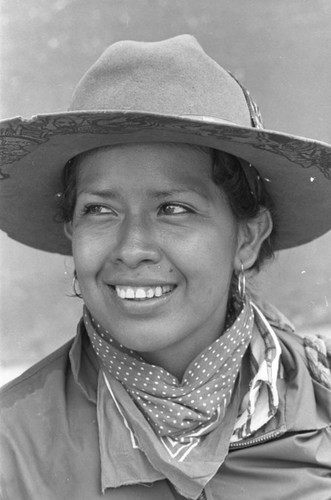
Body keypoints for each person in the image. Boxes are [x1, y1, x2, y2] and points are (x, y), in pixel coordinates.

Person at [0, 35, 330, 500]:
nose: (132, 248)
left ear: (247, 238)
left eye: (173, 209)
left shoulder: (320, 406)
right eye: (99, 210)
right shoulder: (12, 453)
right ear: (72, 231)